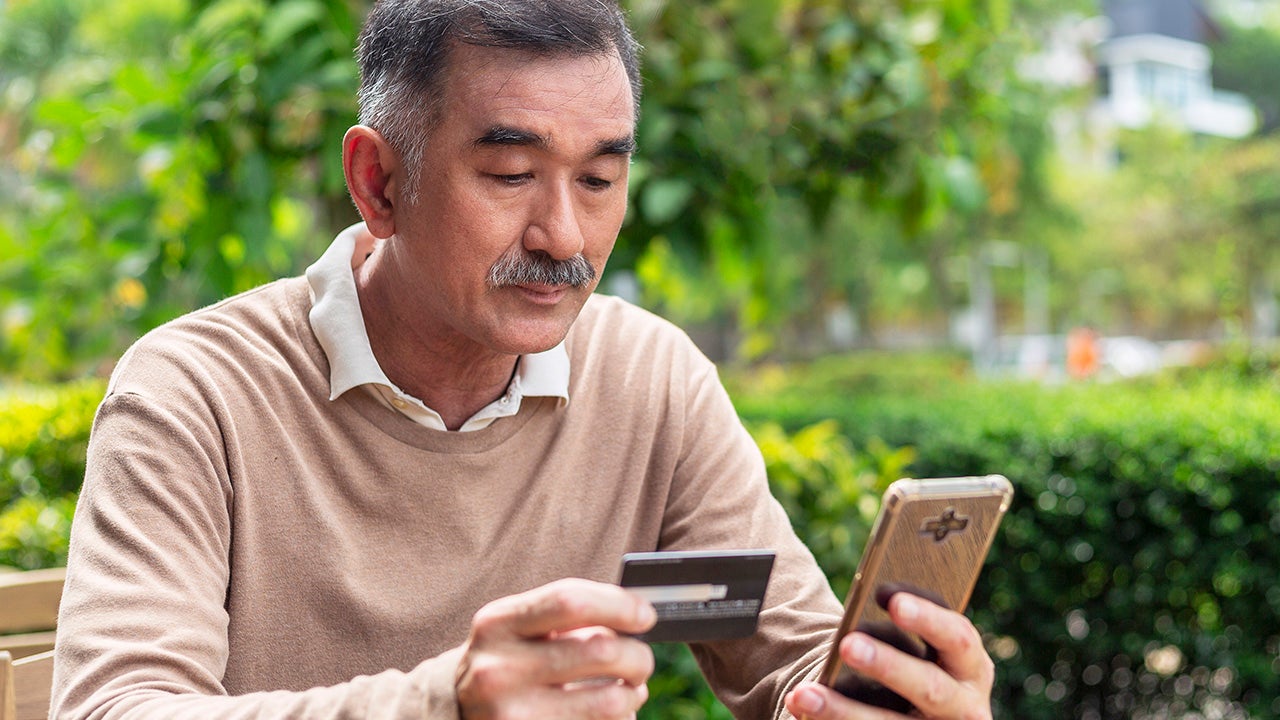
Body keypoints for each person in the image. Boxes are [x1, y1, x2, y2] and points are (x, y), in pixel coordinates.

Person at [51, 1, 996, 718]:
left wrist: (887, 693)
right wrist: (446, 703)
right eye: (510, 175)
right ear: (379, 181)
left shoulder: (650, 380)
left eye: (599, 179)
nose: (563, 236)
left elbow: (789, 664)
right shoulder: (193, 392)